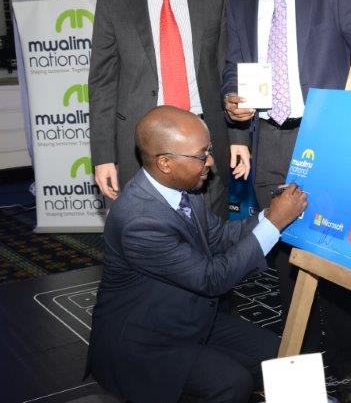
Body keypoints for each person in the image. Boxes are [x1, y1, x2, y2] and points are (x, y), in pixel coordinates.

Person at [221, 0, 351, 403]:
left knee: (334, 260)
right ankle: (302, 371)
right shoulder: (236, 5)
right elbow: (231, 71)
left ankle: (347, 366)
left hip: (326, 140)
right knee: (283, 262)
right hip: (269, 142)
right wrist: (232, 100)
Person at [85, 106, 308, 403]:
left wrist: (271, 212)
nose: (211, 162)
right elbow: (212, 278)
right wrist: (275, 223)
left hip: (190, 316)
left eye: (209, 150)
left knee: (284, 356)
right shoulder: (139, 221)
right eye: (202, 155)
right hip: (144, 339)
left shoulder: (185, 189)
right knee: (232, 384)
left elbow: (221, 237)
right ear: (165, 162)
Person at [88, 0, 231, 218]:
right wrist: (103, 156)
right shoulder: (113, 0)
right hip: (142, 148)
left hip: (204, 144)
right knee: (148, 245)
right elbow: (102, 83)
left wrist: (238, 138)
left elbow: (226, 69)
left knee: (211, 243)